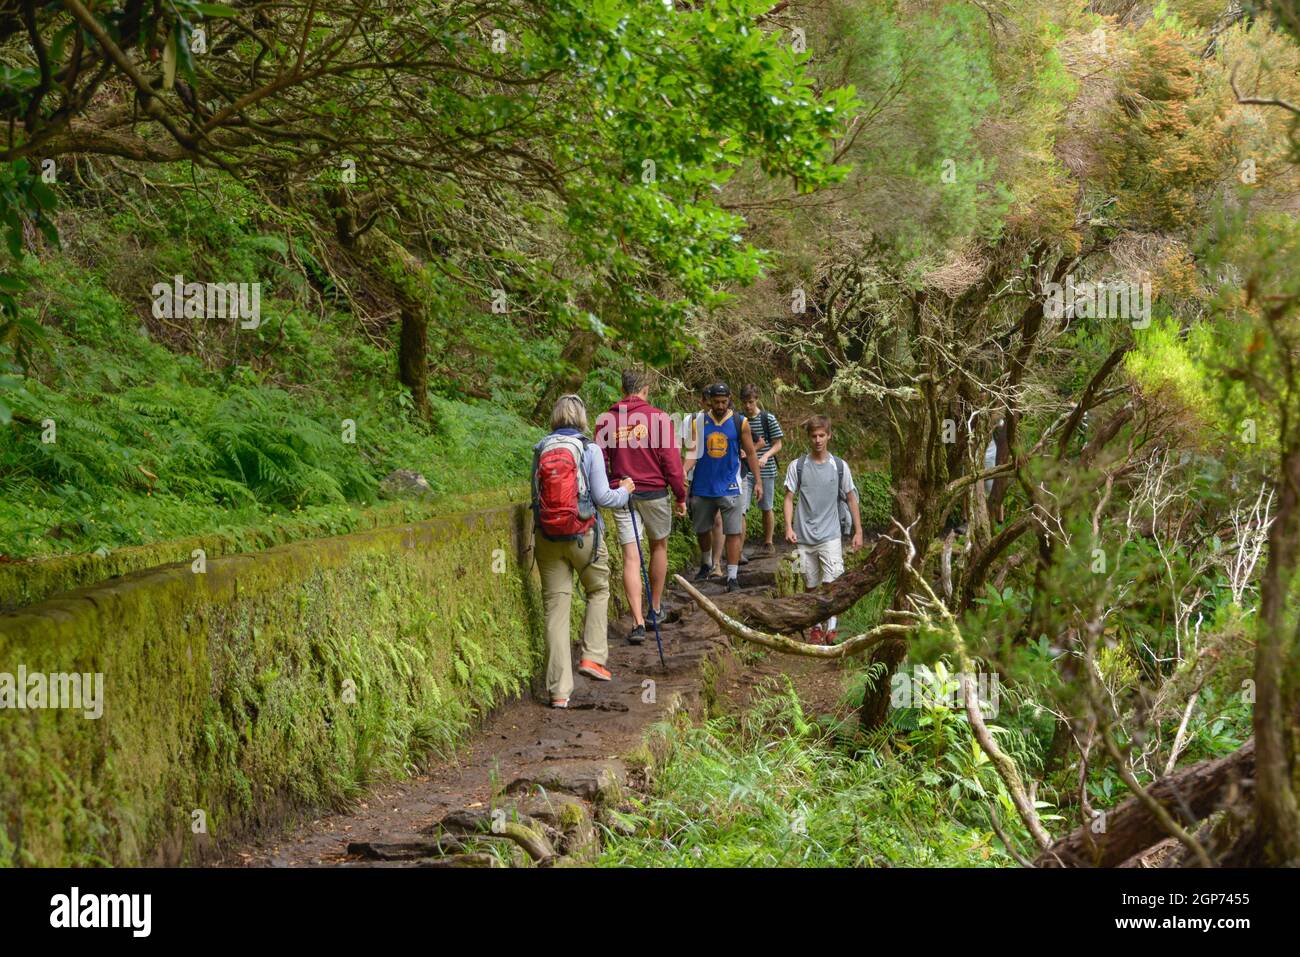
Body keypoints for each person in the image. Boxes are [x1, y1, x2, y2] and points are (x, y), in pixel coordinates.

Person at [531, 394, 634, 708]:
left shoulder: (539, 449)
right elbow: (603, 497)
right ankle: (593, 657)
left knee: (556, 609)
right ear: (581, 418)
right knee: (598, 589)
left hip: (548, 537)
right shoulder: (590, 449)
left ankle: (559, 692)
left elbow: (535, 496)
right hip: (583, 535)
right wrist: (626, 490)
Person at [596, 368, 688, 644]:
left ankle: (636, 622)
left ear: (623, 388)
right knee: (659, 545)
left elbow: (600, 462)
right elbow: (671, 462)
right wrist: (680, 495)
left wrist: (611, 487)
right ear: (645, 389)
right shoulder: (658, 419)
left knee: (631, 557)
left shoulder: (606, 420)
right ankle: (655, 610)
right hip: (655, 493)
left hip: (623, 493)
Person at [783, 415, 863, 645]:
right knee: (809, 584)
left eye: (821, 435)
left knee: (832, 584)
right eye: (813, 436)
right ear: (808, 437)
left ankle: (832, 628)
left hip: (831, 534)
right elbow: (788, 498)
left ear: (829, 435)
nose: (818, 440)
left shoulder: (839, 466)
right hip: (804, 536)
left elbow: (851, 497)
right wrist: (788, 527)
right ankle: (815, 626)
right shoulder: (797, 466)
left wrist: (858, 531)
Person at [684, 382, 762, 593]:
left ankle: (732, 576)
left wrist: (758, 481)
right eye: (716, 402)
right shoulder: (699, 422)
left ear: (729, 400)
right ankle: (706, 563)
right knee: (702, 529)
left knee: (733, 532)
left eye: (724, 401)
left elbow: (751, 453)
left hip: (730, 485)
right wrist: (683, 471)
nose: (720, 405)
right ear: (709, 400)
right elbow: (692, 452)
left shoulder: (740, 422)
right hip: (703, 485)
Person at [738, 384, 784, 558]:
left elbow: (778, 443)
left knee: (766, 507)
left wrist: (765, 457)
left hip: (766, 470)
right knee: (742, 508)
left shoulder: (767, 418)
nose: (748, 406)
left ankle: (768, 542)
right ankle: (739, 549)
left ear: (757, 399)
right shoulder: (739, 419)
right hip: (745, 470)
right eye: (745, 402)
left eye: (750, 402)